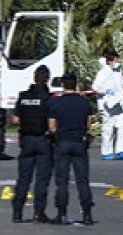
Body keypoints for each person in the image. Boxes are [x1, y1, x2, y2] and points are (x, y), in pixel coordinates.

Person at [48, 71, 94, 226]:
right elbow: (88, 124)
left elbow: (52, 126)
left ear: (62, 84)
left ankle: (61, 213)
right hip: (79, 142)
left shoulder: (55, 103)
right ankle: (87, 213)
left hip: (62, 142)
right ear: (76, 84)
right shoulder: (84, 103)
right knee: (82, 180)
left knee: (62, 181)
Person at [11, 64, 52, 224]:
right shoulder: (48, 98)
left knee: (23, 178)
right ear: (47, 80)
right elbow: (52, 121)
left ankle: (17, 212)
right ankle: (38, 212)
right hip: (43, 139)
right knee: (41, 179)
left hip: (26, 140)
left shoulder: (24, 96)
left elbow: (15, 120)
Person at [91, 52, 123, 160]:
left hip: (118, 104)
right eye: (116, 60)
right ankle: (106, 152)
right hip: (107, 105)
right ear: (110, 61)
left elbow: (121, 84)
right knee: (108, 128)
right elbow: (95, 87)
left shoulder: (117, 72)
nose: (118, 62)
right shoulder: (103, 72)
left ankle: (121, 150)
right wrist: (106, 91)